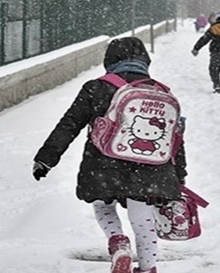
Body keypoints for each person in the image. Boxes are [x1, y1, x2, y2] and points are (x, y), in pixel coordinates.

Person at [32, 37, 188, 273]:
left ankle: (119, 244)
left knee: (103, 205)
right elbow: (175, 138)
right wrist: (179, 174)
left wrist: (46, 158)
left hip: (103, 165)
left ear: (110, 60)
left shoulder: (96, 87)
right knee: (142, 218)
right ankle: (148, 268)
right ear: (144, 60)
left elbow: (69, 124)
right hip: (150, 167)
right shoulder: (160, 91)